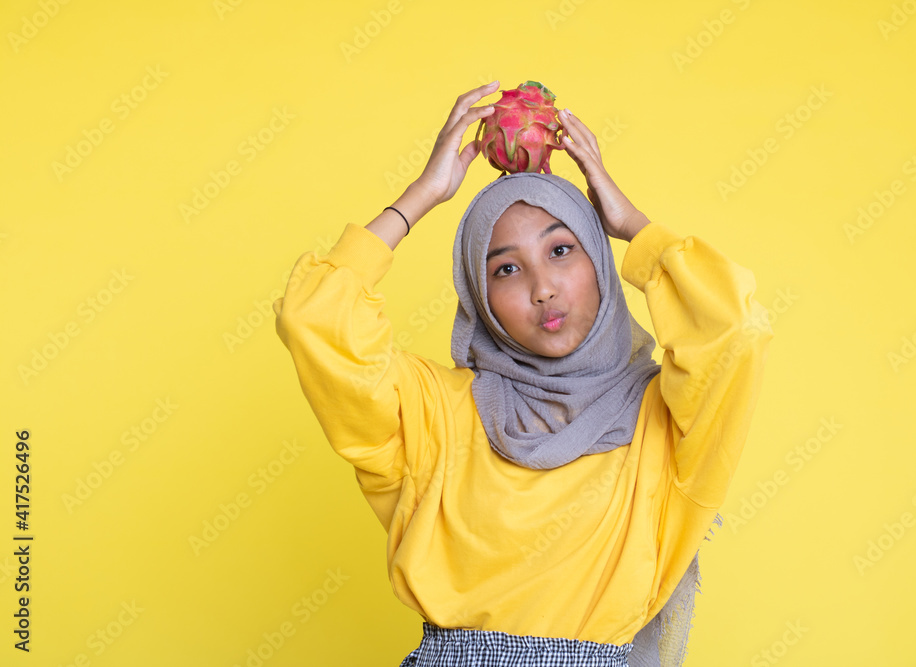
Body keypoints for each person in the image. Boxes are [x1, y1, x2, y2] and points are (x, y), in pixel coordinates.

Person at [272, 81, 774, 666]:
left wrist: (633, 223)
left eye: (562, 250)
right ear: (480, 299)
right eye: (506, 269)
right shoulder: (434, 412)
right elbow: (313, 320)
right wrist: (421, 196)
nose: (543, 288)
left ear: (600, 262)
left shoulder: (667, 424)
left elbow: (737, 330)